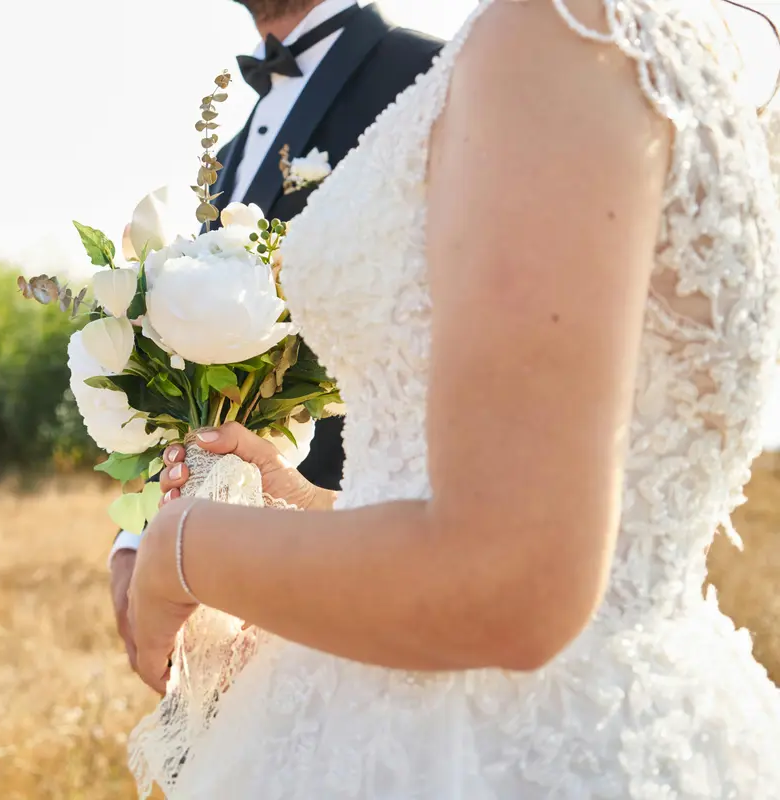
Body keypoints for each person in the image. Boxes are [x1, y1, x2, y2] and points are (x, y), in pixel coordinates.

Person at [126, 0, 780, 796]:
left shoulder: (560, 33)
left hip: (496, 748)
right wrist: (324, 510)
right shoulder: (663, 39)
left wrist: (179, 550)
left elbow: (511, 581)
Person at [108, 0, 442, 676]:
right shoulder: (231, 155)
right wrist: (135, 535)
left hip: (391, 580)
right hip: (243, 610)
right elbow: (196, 374)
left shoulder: (437, 78)